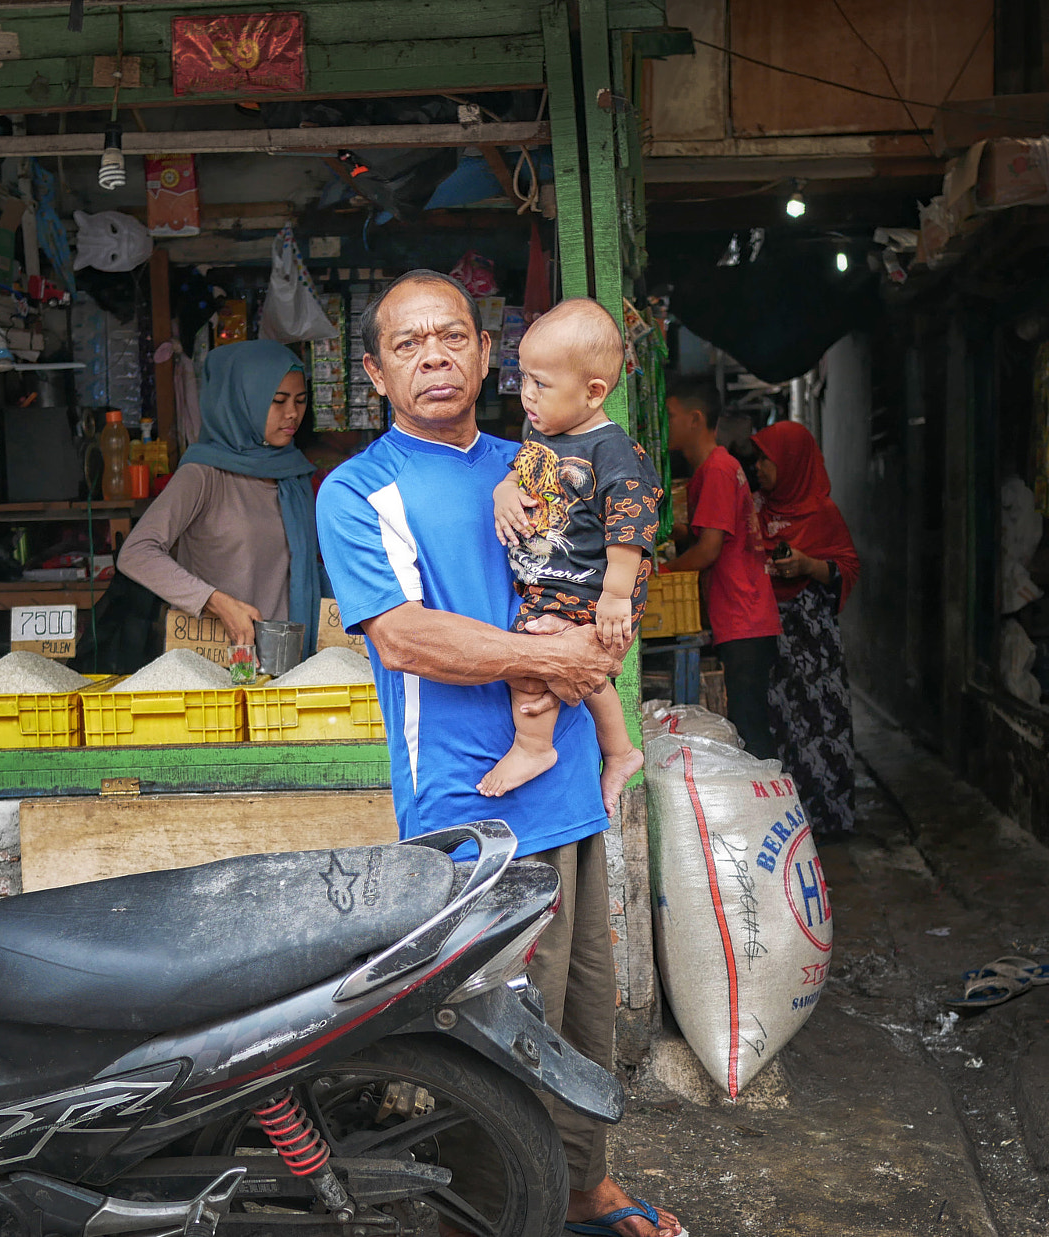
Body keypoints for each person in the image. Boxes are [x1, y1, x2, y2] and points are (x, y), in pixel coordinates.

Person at [316, 270, 681, 1237]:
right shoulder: (359, 491)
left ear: (487, 354)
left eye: (452, 337)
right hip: (471, 808)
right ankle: (492, 1215)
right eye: (407, 344)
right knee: (495, 1043)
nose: (433, 355)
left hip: (569, 787)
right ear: (376, 372)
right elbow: (403, 637)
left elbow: (620, 555)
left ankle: (582, 1186)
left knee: (583, 1019)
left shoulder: (540, 460)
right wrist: (554, 653)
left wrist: (608, 629)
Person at [484, 298, 663, 811]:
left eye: (542, 383)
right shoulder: (542, 431)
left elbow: (632, 527)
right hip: (550, 587)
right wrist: (504, 489)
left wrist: (614, 597)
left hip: (592, 592)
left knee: (556, 661)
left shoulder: (613, 453)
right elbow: (523, 470)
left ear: (593, 393)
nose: (527, 396)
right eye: (525, 379)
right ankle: (618, 752)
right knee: (542, 666)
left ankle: (538, 747)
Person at [116, 340, 320, 654]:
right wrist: (216, 602)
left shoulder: (294, 476)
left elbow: (303, 572)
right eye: (278, 401)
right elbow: (136, 553)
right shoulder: (203, 475)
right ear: (241, 402)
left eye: (300, 400)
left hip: (285, 664)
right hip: (213, 666)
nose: (292, 413)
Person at [752, 420, 862, 839]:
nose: (758, 466)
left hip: (813, 639)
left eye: (768, 458)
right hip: (769, 631)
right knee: (781, 726)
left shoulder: (823, 512)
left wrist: (806, 565)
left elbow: (846, 568)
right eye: (758, 457)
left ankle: (830, 821)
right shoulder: (756, 507)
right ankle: (789, 824)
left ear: (793, 463)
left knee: (822, 727)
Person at [663, 377, 782, 759]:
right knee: (751, 724)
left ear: (695, 419)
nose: (666, 425)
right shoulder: (717, 468)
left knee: (750, 730)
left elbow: (709, 549)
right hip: (746, 612)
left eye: (671, 416)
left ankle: (768, 809)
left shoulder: (716, 469)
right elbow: (709, 534)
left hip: (742, 614)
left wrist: (660, 575)